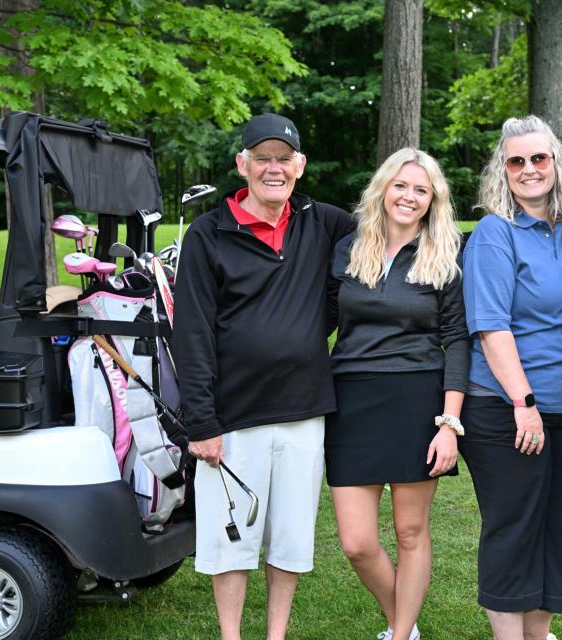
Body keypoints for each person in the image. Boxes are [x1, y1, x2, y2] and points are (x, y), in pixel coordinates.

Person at [174, 113, 353, 640]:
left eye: (283, 158)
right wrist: (201, 422)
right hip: (232, 417)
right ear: (242, 164)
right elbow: (192, 334)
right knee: (231, 538)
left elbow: (391, 224)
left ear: (300, 166)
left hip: (303, 410)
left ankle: (276, 634)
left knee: (291, 536)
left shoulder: (325, 223)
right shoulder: (209, 234)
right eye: (262, 157)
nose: (273, 168)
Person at [459, 115, 562, 640]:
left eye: (539, 158)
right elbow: (492, 328)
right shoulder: (496, 233)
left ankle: (538, 633)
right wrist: (524, 401)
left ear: (557, 163)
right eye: (516, 160)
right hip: (509, 407)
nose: (529, 169)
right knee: (515, 525)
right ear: (503, 170)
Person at [325, 148, 469, 640]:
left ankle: (402, 632)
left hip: (417, 399)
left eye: (421, 190)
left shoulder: (446, 251)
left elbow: (457, 339)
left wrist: (449, 423)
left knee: (410, 532)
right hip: (351, 400)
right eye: (401, 186)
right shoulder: (348, 247)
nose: (409, 197)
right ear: (384, 189)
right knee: (357, 542)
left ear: (434, 200)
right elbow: (320, 319)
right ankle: (401, 623)